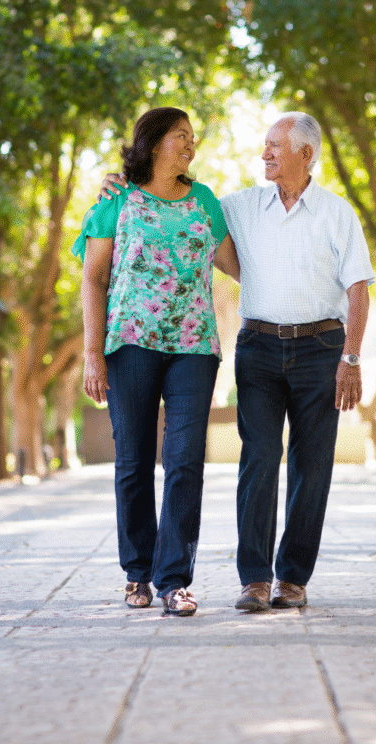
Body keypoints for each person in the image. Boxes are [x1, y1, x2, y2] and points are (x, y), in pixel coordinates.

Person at [100, 111, 373, 612]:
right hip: (258, 349)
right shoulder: (237, 206)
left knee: (312, 466)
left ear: (306, 154)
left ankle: (291, 577)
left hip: (320, 348)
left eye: (275, 146)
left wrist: (350, 358)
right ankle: (254, 579)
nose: (264, 153)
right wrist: (117, 181)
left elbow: (358, 288)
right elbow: (168, 204)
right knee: (260, 458)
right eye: (265, 144)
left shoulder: (337, 213)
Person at [72, 107, 240, 617]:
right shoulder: (116, 199)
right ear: (152, 142)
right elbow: (93, 278)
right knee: (134, 461)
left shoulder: (204, 201)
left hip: (193, 346)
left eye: (193, 137)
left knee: (186, 460)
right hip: (130, 343)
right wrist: (91, 354)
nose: (190, 145)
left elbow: (239, 266)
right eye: (180, 136)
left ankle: (174, 581)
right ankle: (137, 573)